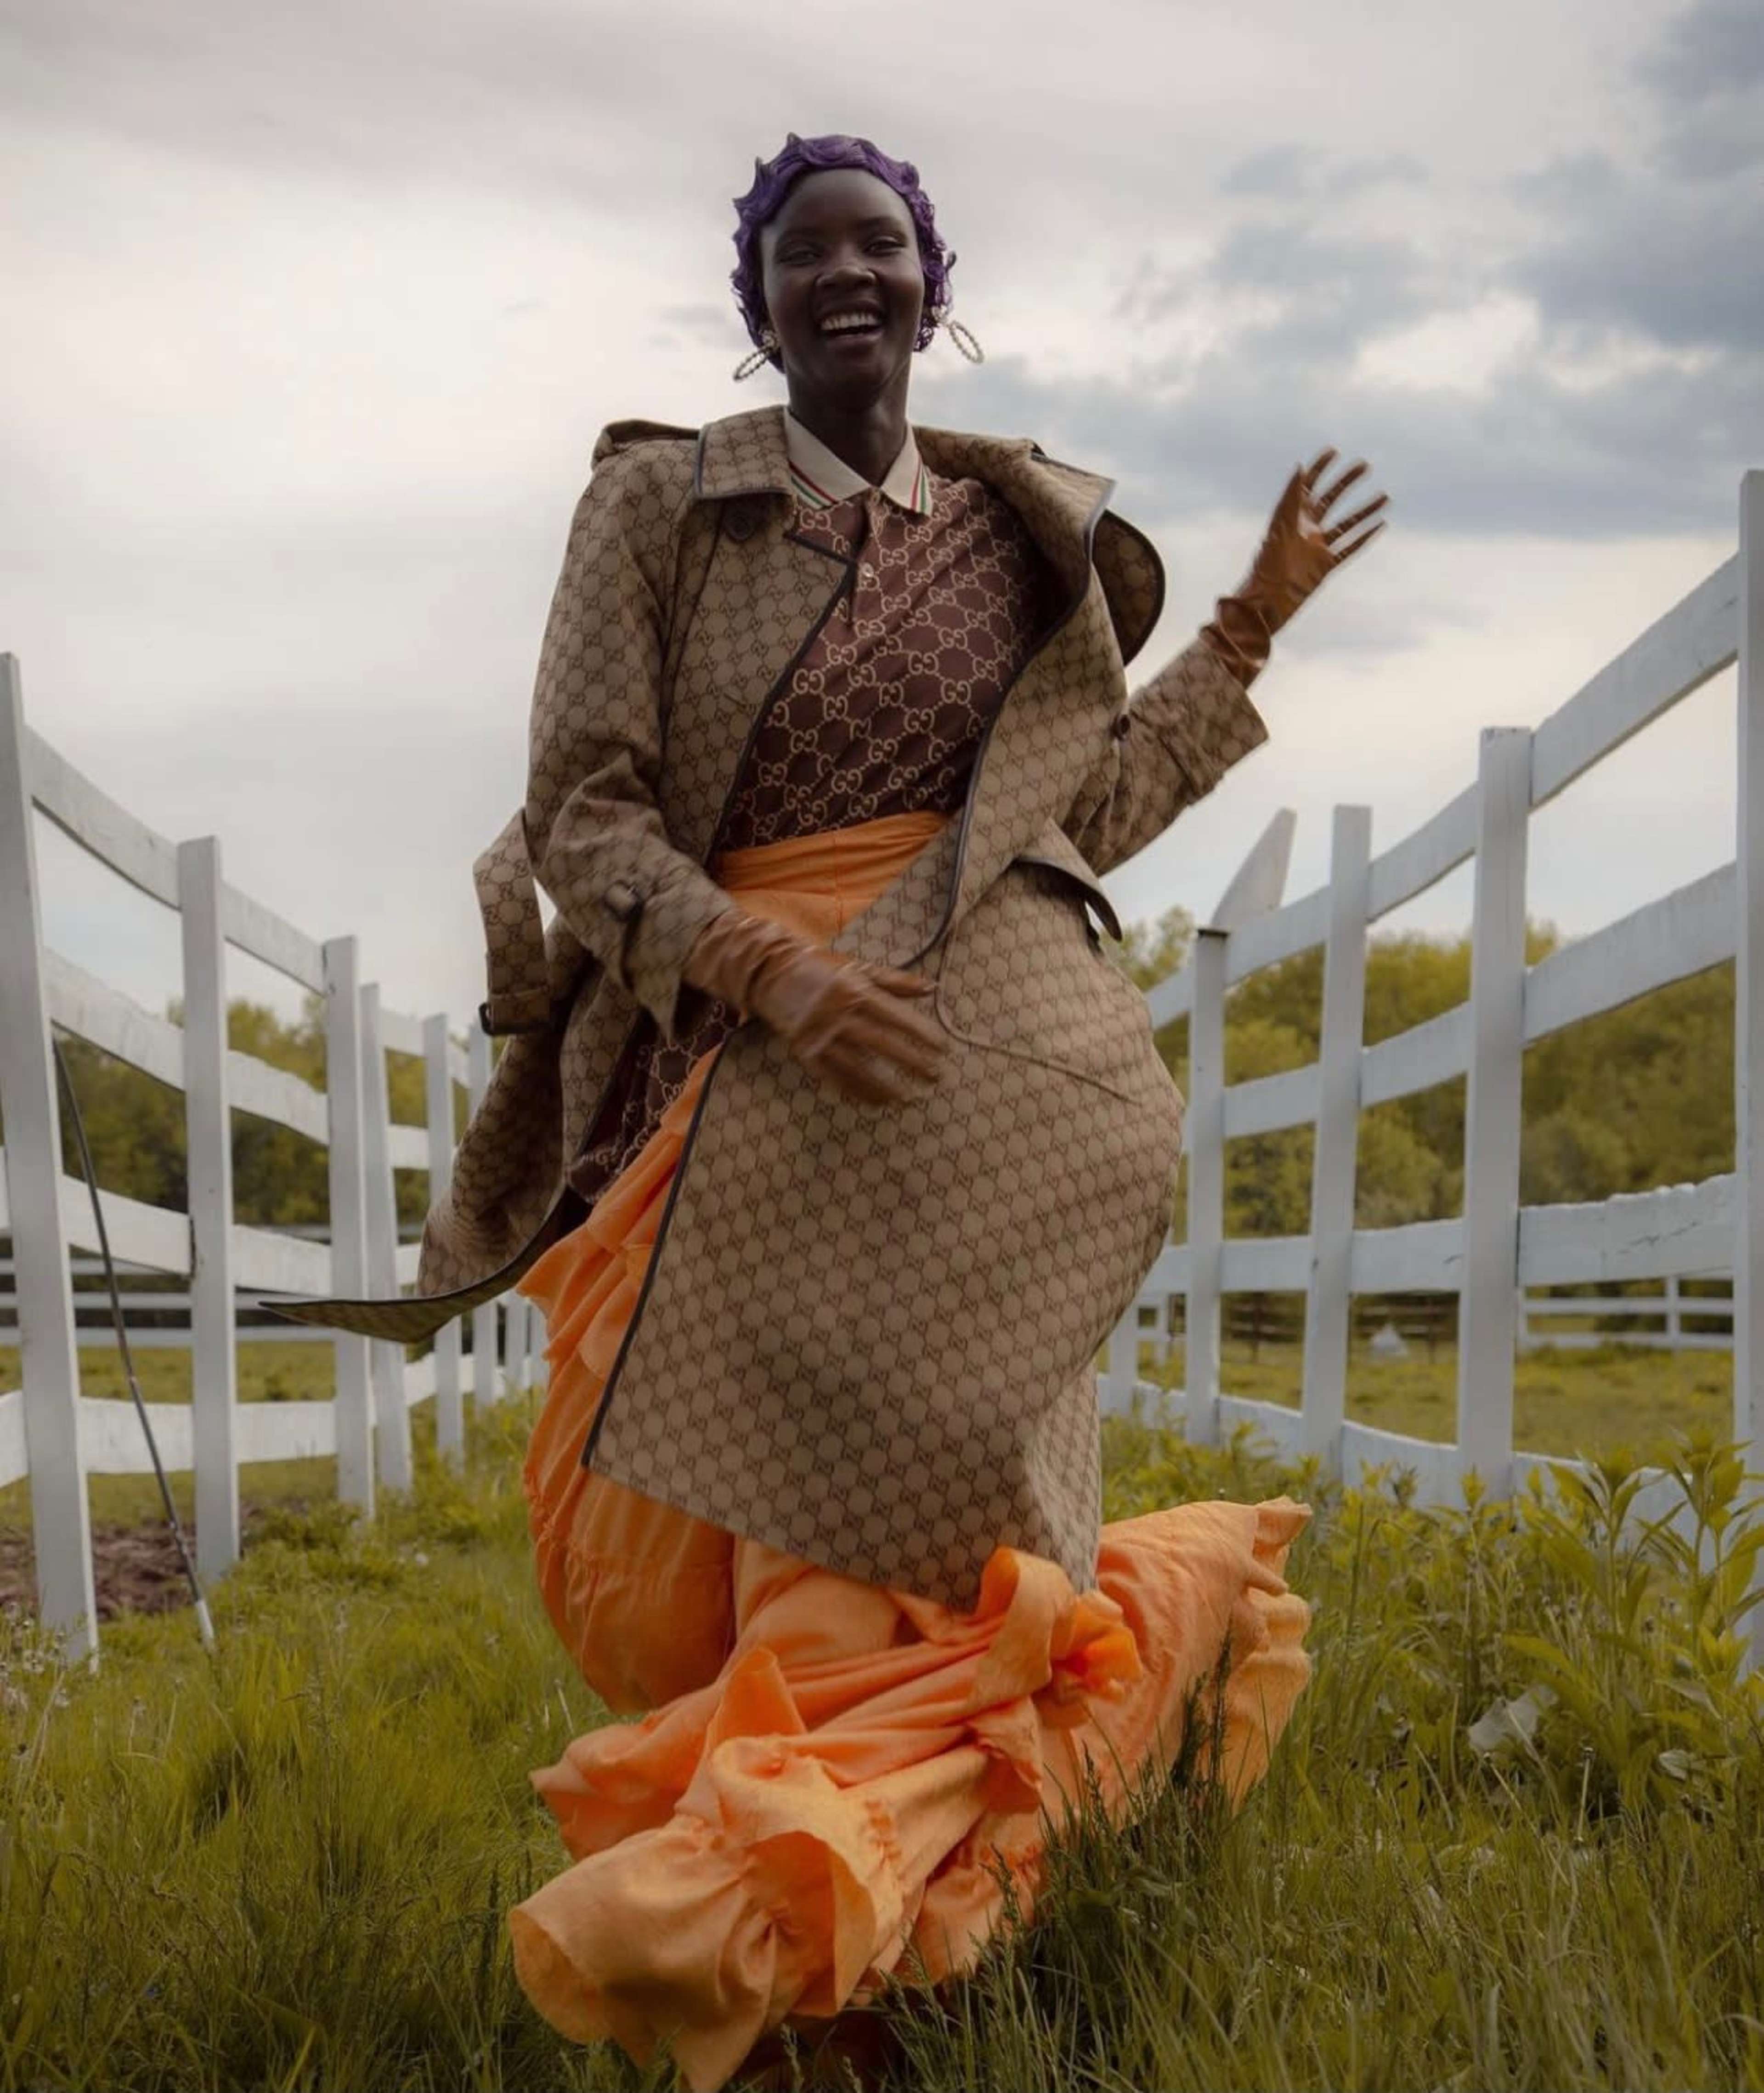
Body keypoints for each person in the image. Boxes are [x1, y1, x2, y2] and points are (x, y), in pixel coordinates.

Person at [279, 131, 1385, 2093]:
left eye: (884, 243)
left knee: (918, 1558)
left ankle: (845, 1981)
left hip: (982, 1103)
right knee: (723, 1553)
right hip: (741, 1065)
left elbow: (1084, 816)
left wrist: (1248, 628)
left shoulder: (1010, 542)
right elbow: (586, 815)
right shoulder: (657, 507)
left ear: (933, 283)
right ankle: (818, 1924)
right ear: (761, 301)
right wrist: (774, 973)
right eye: (808, 251)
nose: (849, 273)